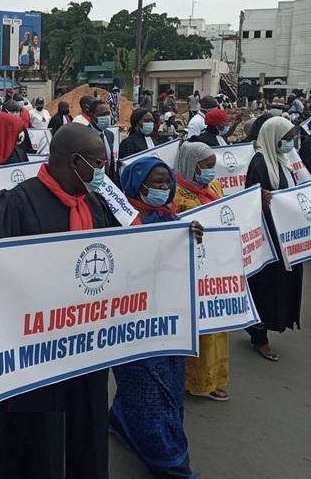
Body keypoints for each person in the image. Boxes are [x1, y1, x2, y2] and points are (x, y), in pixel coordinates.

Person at [0, 123, 118, 479]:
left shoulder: (96, 203)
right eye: (99, 163)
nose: (104, 172)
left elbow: (129, 254)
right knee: (38, 447)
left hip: (86, 351)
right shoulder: (16, 205)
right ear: (75, 162)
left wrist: (178, 238)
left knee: (87, 435)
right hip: (36, 359)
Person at [110, 156, 202, 479]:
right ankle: (171, 463)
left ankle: (120, 422)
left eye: (167, 182)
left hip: (169, 324)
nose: (164, 188)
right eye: (157, 182)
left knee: (170, 389)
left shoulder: (172, 218)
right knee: (149, 395)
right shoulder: (117, 220)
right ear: (137, 184)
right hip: (132, 326)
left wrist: (193, 237)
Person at [172, 141, 231, 401]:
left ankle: (212, 377)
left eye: (213, 167)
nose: (211, 173)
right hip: (186, 271)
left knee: (216, 325)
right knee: (197, 328)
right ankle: (195, 381)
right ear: (190, 165)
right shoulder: (174, 194)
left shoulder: (214, 186)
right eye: (206, 167)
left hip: (214, 268)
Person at [243, 116, 304, 360]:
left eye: (291, 139)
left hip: (286, 235)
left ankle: (262, 328)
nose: (290, 143)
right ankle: (259, 337)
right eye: (286, 139)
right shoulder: (259, 164)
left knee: (282, 284)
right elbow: (250, 201)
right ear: (274, 138)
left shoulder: (283, 160)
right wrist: (262, 202)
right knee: (266, 287)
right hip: (269, 238)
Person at [86, 100, 117, 183]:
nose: (107, 117)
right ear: (92, 116)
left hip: (109, 186)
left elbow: (110, 162)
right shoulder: (84, 135)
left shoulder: (110, 135)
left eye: (108, 113)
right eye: (103, 114)